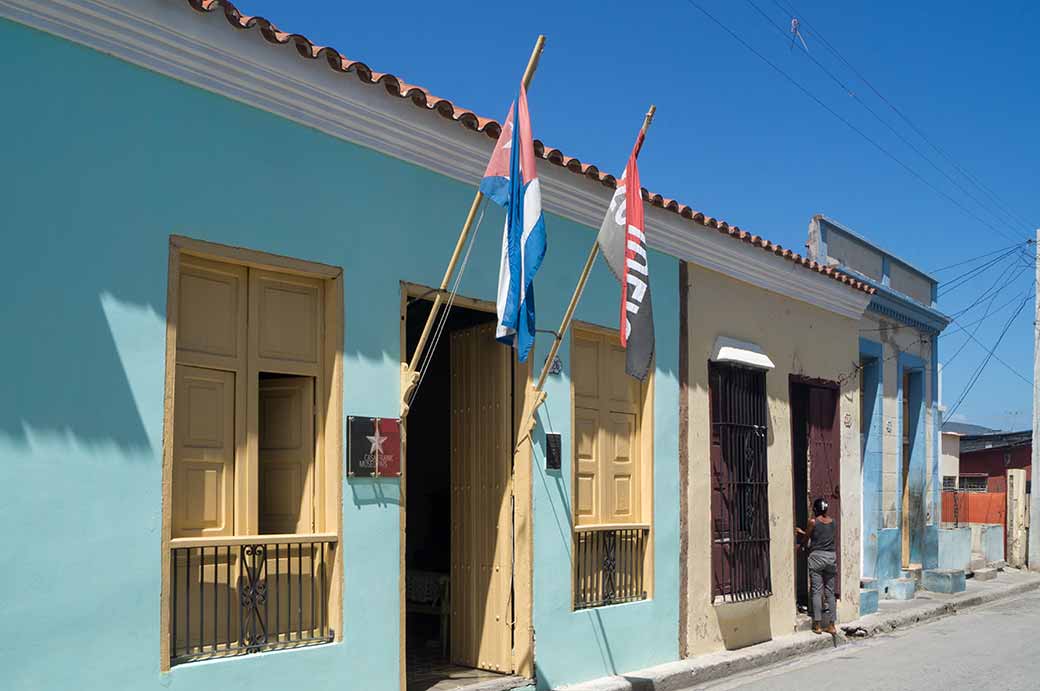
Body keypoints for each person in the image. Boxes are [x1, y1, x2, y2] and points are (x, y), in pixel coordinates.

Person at [795, 498, 837, 635]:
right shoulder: (833, 522)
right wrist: (804, 532)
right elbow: (822, 536)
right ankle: (832, 625)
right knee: (830, 592)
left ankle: (817, 624)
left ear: (815, 509)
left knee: (817, 591)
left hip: (817, 558)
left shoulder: (813, 522)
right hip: (831, 558)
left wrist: (801, 546)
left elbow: (808, 538)